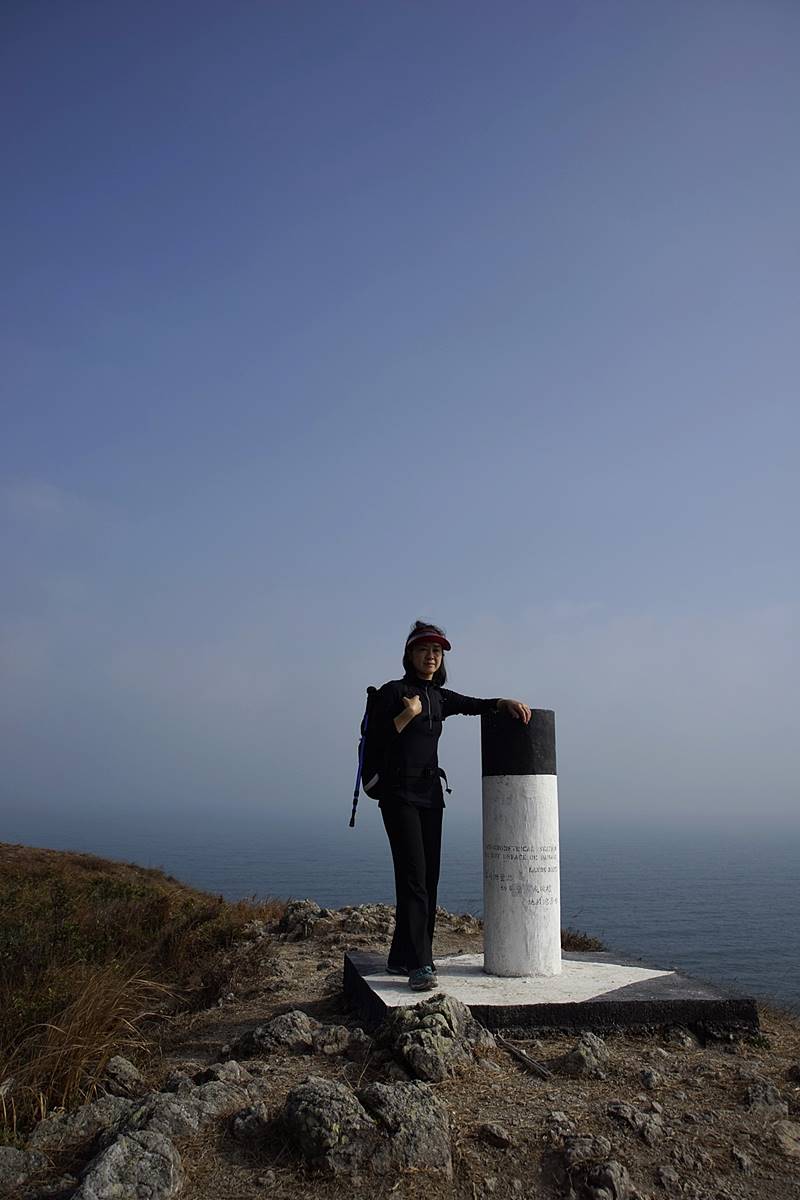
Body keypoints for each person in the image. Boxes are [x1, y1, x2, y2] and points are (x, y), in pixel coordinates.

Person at [371, 620, 531, 991]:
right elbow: (378, 738)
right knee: (413, 878)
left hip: (430, 795)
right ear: (410, 654)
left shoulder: (440, 697)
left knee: (428, 878)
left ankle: (401, 957)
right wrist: (407, 713)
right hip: (398, 795)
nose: (431, 656)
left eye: (437, 651)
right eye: (424, 649)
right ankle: (420, 964)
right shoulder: (393, 692)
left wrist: (503, 703)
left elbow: (474, 705)